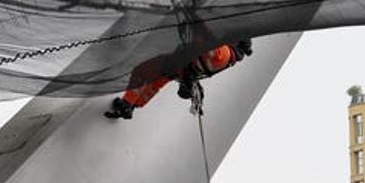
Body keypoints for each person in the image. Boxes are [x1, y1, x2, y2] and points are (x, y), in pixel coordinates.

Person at [104, 39, 253, 120]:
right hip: (185, 65)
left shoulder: (223, 51)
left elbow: (206, 36)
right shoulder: (224, 57)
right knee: (153, 77)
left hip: (200, 59)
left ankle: (129, 104)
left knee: (144, 72)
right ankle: (130, 105)